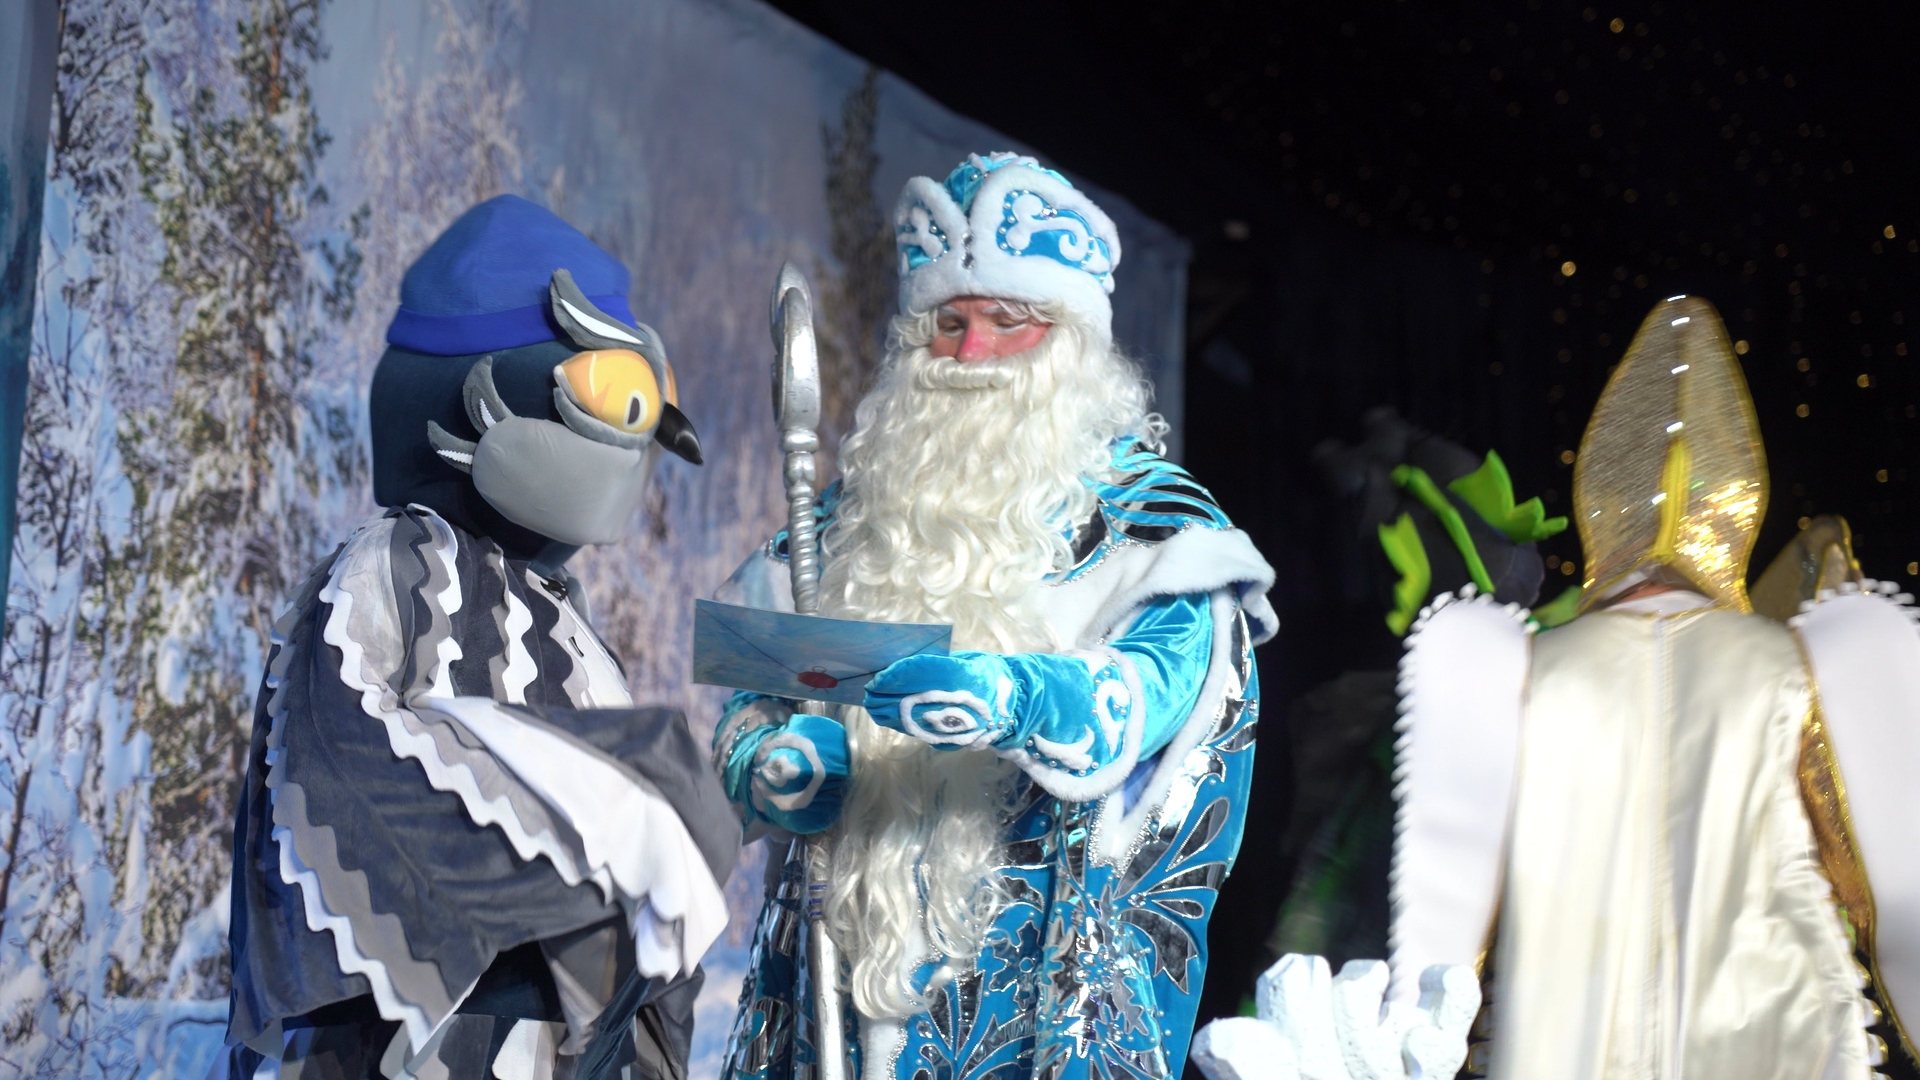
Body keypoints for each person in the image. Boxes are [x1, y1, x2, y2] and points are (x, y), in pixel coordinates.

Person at [1194, 295, 1920, 1080]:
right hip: (1779, 1036)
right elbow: (1882, 891)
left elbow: (1447, 926)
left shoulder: (1514, 668)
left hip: (1563, 1042)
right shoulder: (1796, 663)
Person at [713, 153, 1277, 1080]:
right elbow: (754, 684)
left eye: (1007, 322)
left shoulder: (1154, 527)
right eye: (949, 323)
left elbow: (1152, 694)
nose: (970, 355)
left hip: (1034, 1006)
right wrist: (769, 765)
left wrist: (1014, 696)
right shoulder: (847, 523)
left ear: (1071, 343)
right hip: (831, 997)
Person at [223, 196, 737, 1080]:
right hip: (405, 1040)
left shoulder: (567, 624)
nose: (637, 449)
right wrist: (617, 802)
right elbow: (345, 765)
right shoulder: (399, 569)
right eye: (615, 399)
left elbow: (647, 907)